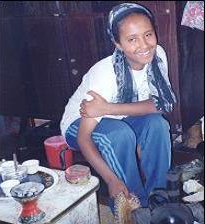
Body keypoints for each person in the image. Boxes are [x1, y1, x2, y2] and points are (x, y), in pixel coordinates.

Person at [60, 3, 177, 209]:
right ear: (118, 44)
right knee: (120, 135)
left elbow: (159, 105)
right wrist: (111, 180)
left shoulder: (157, 55)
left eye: (148, 34)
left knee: (157, 125)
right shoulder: (105, 75)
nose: (144, 45)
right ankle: (132, 206)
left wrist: (108, 109)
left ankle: (159, 197)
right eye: (132, 39)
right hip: (79, 125)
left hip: (115, 116)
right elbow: (83, 138)